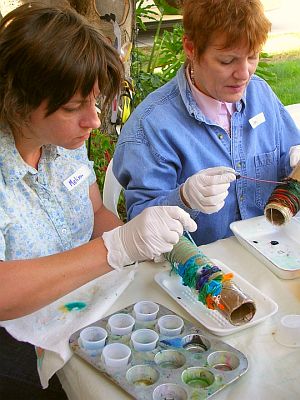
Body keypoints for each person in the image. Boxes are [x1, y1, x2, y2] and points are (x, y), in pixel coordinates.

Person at [0, 2, 197, 398]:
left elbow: (94, 212)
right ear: (16, 100)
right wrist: (115, 249)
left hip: (82, 305)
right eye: (74, 108)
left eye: (93, 101)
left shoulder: (64, 141)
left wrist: (138, 239)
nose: (92, 121)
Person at [113, 0, 300, 246]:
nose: (244, 74)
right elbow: (140, 225)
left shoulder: (260, 95)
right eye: (227, 61)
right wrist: (184, 198)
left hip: (274, 252)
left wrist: (294, 162)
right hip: (202, 272)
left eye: (252, 57)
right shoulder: (151, 126)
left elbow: (291, 162)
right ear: (191, 48)